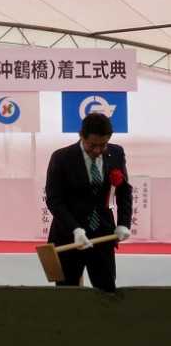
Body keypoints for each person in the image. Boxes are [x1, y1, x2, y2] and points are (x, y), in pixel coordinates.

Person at [45, 112, 132, 292]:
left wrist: (124, 223)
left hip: (103, 234)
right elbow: (55, 199)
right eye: (92, 145)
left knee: (107, 291)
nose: (97, 150)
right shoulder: (61, 157)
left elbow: (124, 192)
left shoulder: (116, 153)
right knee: (67, 293)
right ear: (81, 135)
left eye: (103, 145)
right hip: (69, 237)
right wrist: (75, 229)